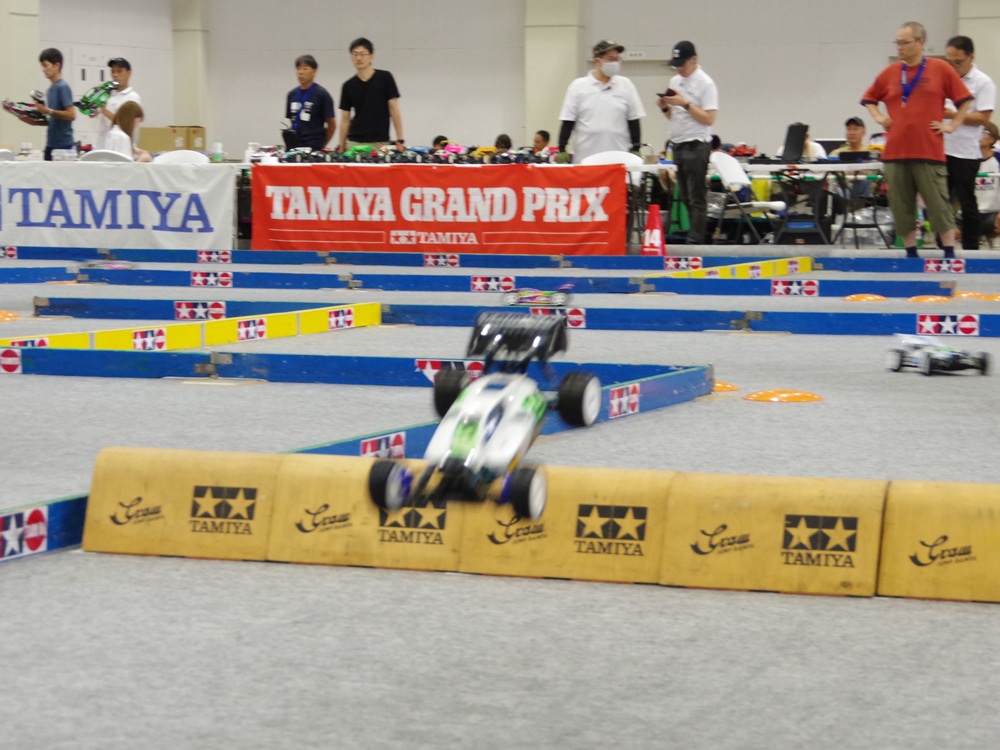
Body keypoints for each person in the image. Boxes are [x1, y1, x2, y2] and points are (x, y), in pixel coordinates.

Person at [861, 21, 972, 258]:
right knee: (902, 207)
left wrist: (952, 126)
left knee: (939, 205)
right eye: (897, 42)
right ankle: (910, 253)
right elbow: (869, 98)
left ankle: (949, 253)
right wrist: (879, 116)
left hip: (929, 152)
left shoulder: (940, 69)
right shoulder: (890, 73)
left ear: (921, 43)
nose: (899, 46)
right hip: (895, 153)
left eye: (905, 42)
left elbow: (965, 100)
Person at [656, 40, 719, 245]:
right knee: (684, 196)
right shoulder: (675, 81)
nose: (679, 69)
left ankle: (696, 240)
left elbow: (709, 119)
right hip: (678, 144)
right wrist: (665, 108)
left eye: (682, 64)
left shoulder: (706, 83)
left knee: (696, 196)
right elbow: (675, 117)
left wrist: (686, 104)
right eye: (676, 65)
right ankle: (695, 233)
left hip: (697, 144)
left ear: (694, 59)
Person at [942, 36, 996, 251]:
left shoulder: (983, 82)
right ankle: (943, 245)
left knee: (967, 201)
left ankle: (971, 248)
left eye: (958, 62)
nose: (953, 66)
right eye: (949, 62)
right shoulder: (946, 79)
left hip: (966, 152)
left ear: (970, 58)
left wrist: (953, 115)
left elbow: (983, 118)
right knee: (939, 202)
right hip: (942, 149)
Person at [557, 40, 645, 164]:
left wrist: (636, 146)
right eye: (611, 59)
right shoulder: (578, 86)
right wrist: (562, 147)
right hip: (586, 157)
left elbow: (634, 119)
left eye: (617, 59)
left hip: (619, 156)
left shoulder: (626, 85)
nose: (615, 63)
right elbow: (568, 121)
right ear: (597, 61)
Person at [337, 38, 403, 153]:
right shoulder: (348, 86)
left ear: (371, 57)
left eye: (362, 54)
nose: (358, 58)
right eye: (355, 54)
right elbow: (345, 120)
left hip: (380, 143)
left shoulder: (385, 78)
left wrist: (400, 139)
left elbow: (394, 109)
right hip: (354, 143)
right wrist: (341, 146)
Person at [18, 48, 75, 160]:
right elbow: (54, 120)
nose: (43, 69)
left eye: (45, 65)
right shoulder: (50, 90)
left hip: (63, 146)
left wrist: (48, 110)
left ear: (57, 66)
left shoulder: (63, 87)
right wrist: (34, 122)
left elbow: (71, 115)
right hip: (51, 143)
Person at [285, 54, 336, 151]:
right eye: (298, 69)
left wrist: (322, 145)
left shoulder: (322, 95)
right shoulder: (291, 95)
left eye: (305, 69)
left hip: (314, 146)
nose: (301, 72)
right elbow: (292, 119)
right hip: (294, 146)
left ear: (314, 72)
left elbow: (332, 125)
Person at [96, 58, 141, 151]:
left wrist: (105, 111)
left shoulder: (133, 97)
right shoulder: (107, 94)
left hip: (122, 148)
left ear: (129, 73)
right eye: (113, 72)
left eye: (119, 71)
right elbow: (92, 114)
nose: (115, 75)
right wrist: (93, 107)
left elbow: (127, 124)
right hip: (103, 145)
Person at [969, 121, 1000, 247]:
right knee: (950, 231)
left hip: (992, 212)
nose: (979, 135)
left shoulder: (998, 158)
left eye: (983, 132)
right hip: (971, 211)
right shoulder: (967, 160)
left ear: (992, 139)